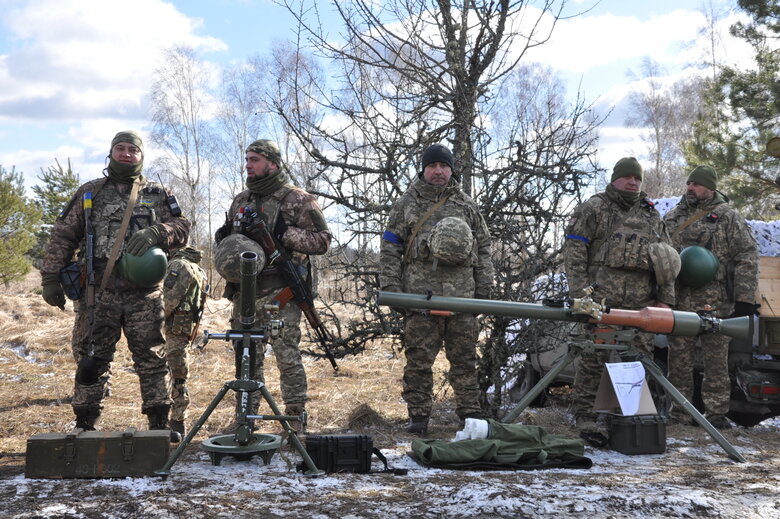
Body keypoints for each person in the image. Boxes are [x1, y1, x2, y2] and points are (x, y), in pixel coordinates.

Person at [40, 131, 191, 437]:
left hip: (145, 294)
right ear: (110, 153)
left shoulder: (158, 192)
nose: (126, 153)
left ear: (141, 155)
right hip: (99, 291)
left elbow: (182, 227)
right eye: (120, 148)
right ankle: (86, 423)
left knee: (151, 356)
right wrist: (51, 278)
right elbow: (63, 234)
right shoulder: (90, 192)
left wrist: (157, 232)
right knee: (92, 356)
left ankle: (158, 424)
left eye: (132, 149)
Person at [379, 143, 494, 435]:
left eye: (444, 166)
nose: (439, 171)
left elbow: (483, 248)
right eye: (432, 166)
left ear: (452, 169)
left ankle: (471, 419)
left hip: (462, 299)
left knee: (465, 361)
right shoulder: (407, 203)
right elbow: (391, 245)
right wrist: (392, 287)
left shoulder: (466, 204)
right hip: (420, 297)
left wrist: (484, 290)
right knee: (418, 361)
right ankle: (418, 419)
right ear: (424, 169)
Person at [214, 139, 331, 421]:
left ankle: (294, 418)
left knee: (287, 356)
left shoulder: (298, 199)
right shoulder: (241, 200)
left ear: (273, 163)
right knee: (246, 359)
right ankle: (246, 419)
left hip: (282, 295)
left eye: (254, 159)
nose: (248, 165)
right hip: (246, 293)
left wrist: (285, 234)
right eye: (248, 159)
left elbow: (323, 241)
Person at [563, 157, 676, 442]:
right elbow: (575, 253)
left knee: (638, 360)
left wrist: (665, 300)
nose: (632, 182)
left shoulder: (652, 215)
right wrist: (579, 294)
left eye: (637, 178)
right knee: (593, 356)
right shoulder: (594, 208)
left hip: (641, 303)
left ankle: (633, 415)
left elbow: (667, 261)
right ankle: (585, 417)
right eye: (627, 177)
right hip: (601, 299)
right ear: (615, 178)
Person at [663, 165, 759, 429]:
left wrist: (745, 300)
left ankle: (716, 414)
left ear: (711, 188)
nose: (691, 187)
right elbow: (662, 258)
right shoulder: (672, 217)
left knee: (716, 361)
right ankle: (679, 414)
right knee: (678, 361)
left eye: (697, 184)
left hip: (716, 300)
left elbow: (747, 257)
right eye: (689, 183)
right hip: (681, 300)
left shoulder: (728, 217)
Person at [162, 245, 207, 438]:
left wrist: (150, 320)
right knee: (179, 375)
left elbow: (168, 300)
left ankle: (175, 423)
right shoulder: (198, 268)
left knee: (173, 376)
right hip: (185, 328)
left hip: (174, 329)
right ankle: (177, 422)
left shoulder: (178, 265)